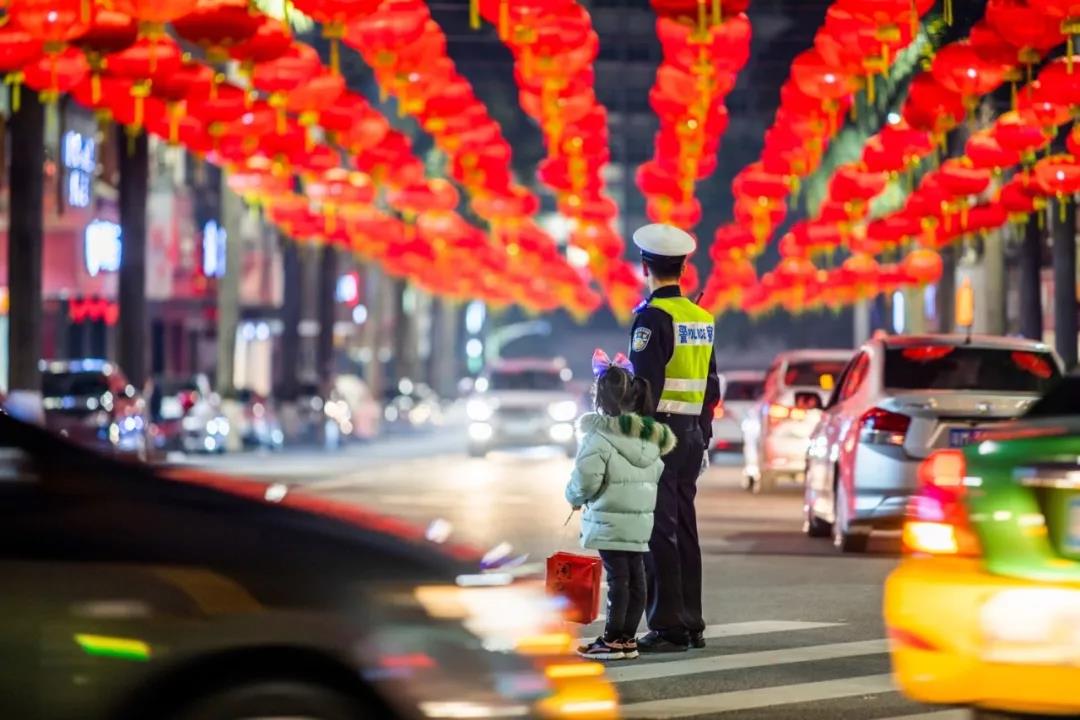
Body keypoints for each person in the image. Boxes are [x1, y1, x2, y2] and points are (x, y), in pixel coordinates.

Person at [628, 223, 721, 653]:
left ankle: (668, 626)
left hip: (659, 435)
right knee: (684, 526)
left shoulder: (651, 318)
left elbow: (644, 386)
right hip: (691, 437)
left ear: (646, 266)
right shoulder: (701, 318)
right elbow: (711, 385)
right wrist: (702, 431)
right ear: (683, 267)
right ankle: (692, 621)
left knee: (657, 530)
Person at [566, 350, 677, 661]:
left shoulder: (598, 436)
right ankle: (627, 638)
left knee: (618, 579)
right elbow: (656, 472)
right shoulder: (649, 438)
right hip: (640, 521)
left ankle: (613, 639)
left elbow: (586, 480)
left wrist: (574, 497)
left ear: (600, 397)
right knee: (635, 575)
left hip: (610, 518)